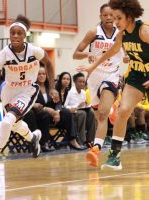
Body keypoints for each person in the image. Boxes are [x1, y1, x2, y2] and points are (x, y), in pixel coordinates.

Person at [0, 15, 56, 174]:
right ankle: (33, 138)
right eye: (12, 33)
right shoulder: (2, 55)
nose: (15, 36)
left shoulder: (34, 50)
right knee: (13, 125)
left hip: (28, 90)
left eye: (19, 33)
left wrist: (52, 87)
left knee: (7, 121)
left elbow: (49, 63)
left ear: (25, 35)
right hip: (8, 91)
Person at [77, 0, 149, 170]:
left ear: (129, 17)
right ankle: (115, 156)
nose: (115, 22)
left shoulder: (144, 31)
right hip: (137, 75)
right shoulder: (122, 33)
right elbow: (112, 51)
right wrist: (92, 66)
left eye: (118, 18)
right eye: (113, 18)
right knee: (123, 110)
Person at [73, 3, 125, 168]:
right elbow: (75, 54)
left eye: (112, 15)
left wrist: (130, 59)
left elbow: (127, 55)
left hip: (111, 75)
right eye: (105, 15)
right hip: (94, 75)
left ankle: (95, 150)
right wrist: (87, 53)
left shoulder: (121, 33)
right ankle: (113, 107)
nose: (109, 18)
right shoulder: (93, 32)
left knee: (102, 114)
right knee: (100, 114)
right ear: (100, 16)